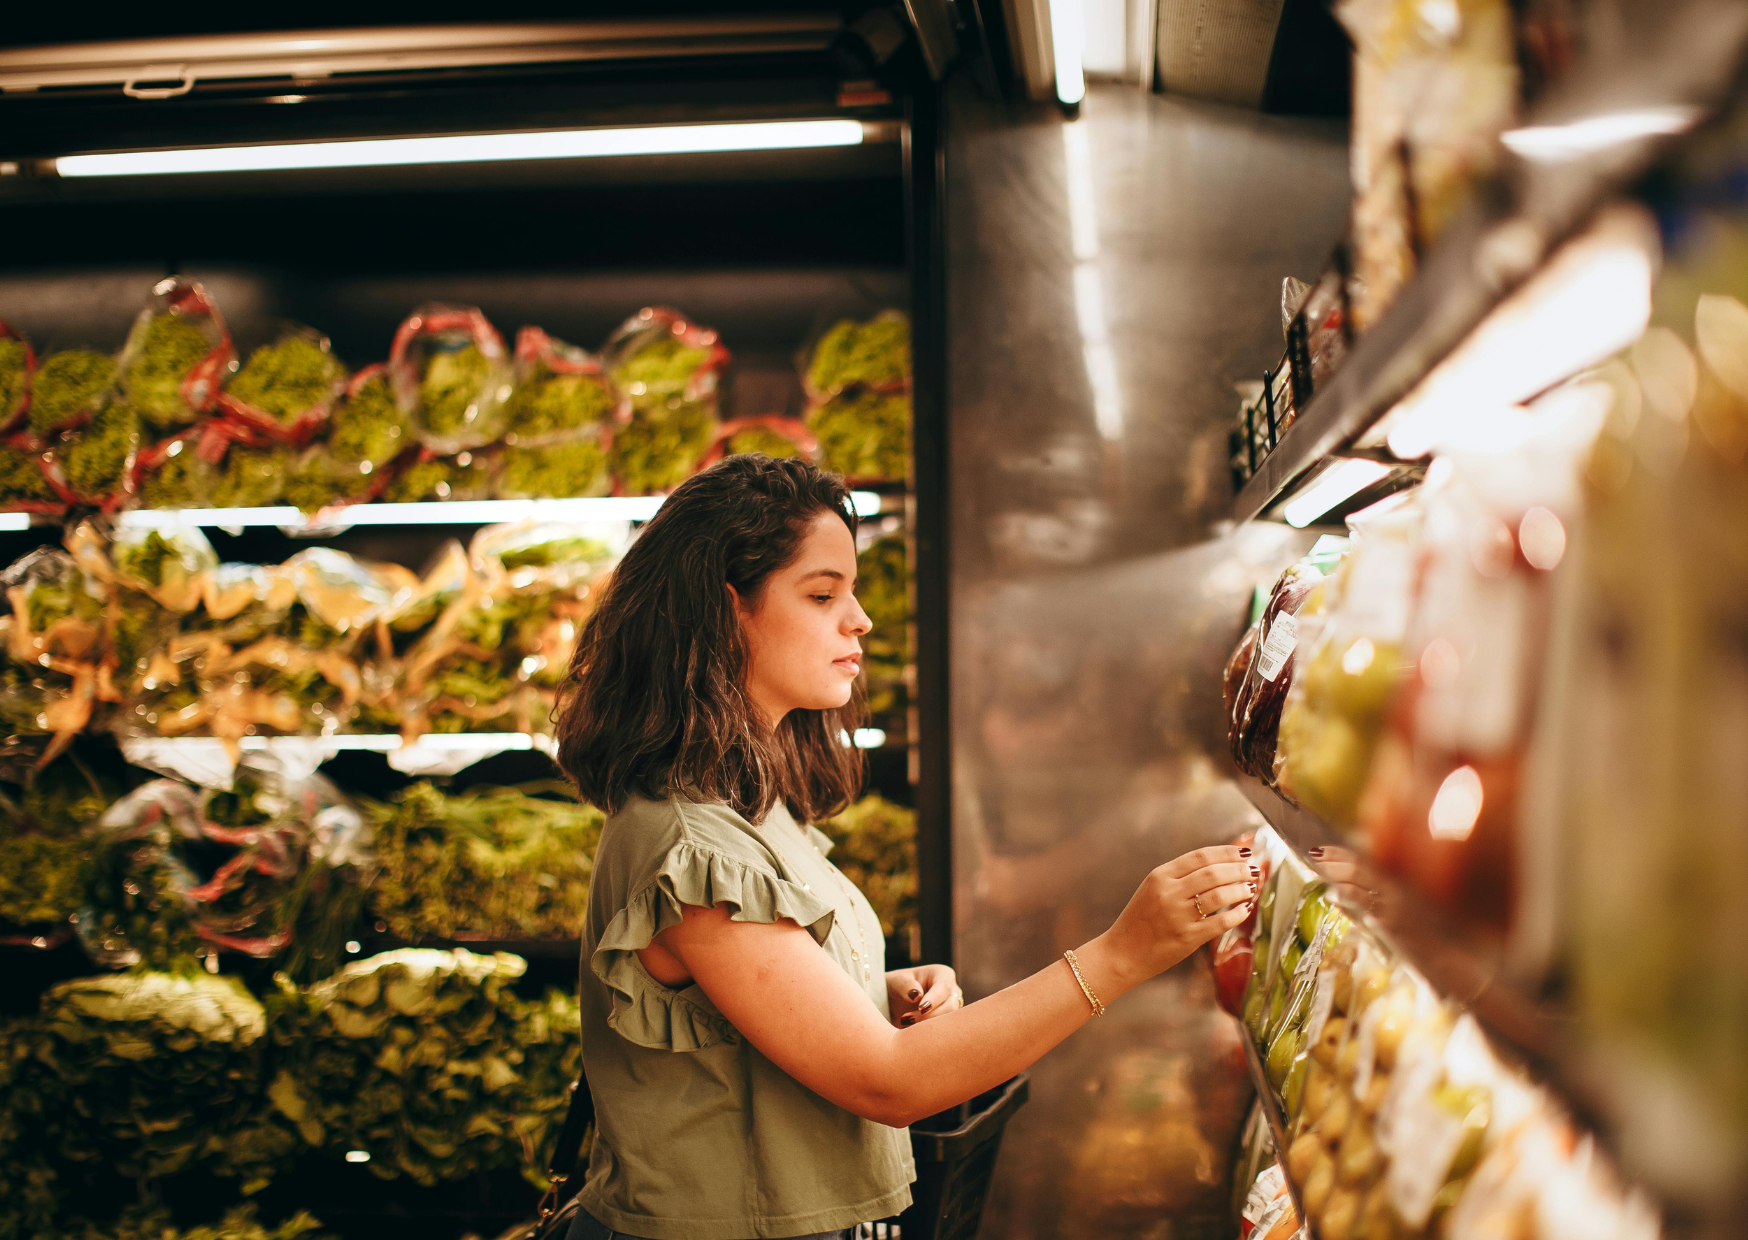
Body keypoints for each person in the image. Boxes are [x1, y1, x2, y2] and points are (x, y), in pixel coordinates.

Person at [554, 454, 1256, 1240]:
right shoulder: (688, 843)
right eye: (823, 594)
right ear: (726, 612)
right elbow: (889, 1083)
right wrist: (1126, 952)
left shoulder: (747, 807)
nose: (860, 619)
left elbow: (731, 1013)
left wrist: (866, 993)